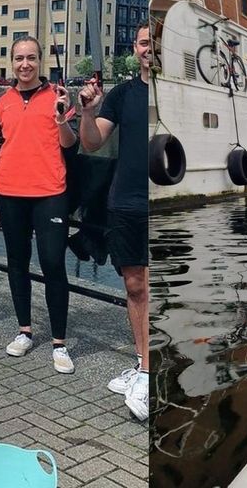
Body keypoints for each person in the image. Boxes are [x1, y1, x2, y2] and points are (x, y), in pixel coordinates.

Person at [0, 36, 77, 374]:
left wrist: (60, 120)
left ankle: (59, 342)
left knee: (54, 263)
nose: (24, 64)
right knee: (17, 262)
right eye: (18, 58)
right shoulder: (1, 101)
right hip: (9, 192)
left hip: (49, 192)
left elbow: (70, 146)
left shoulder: (58, 97)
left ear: (40, 61)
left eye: (31, 58)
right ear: (11, 62)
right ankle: (24, 330)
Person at [79, 22, 150, 420]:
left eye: (154, 41)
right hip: (125, 202)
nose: (148, 48)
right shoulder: (123, 95)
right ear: (135, 48)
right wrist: (87, 112)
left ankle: (152, 370)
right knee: (135, 284)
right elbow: (91, 142)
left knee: (158, 287)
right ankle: (144, 363)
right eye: (142, 42)